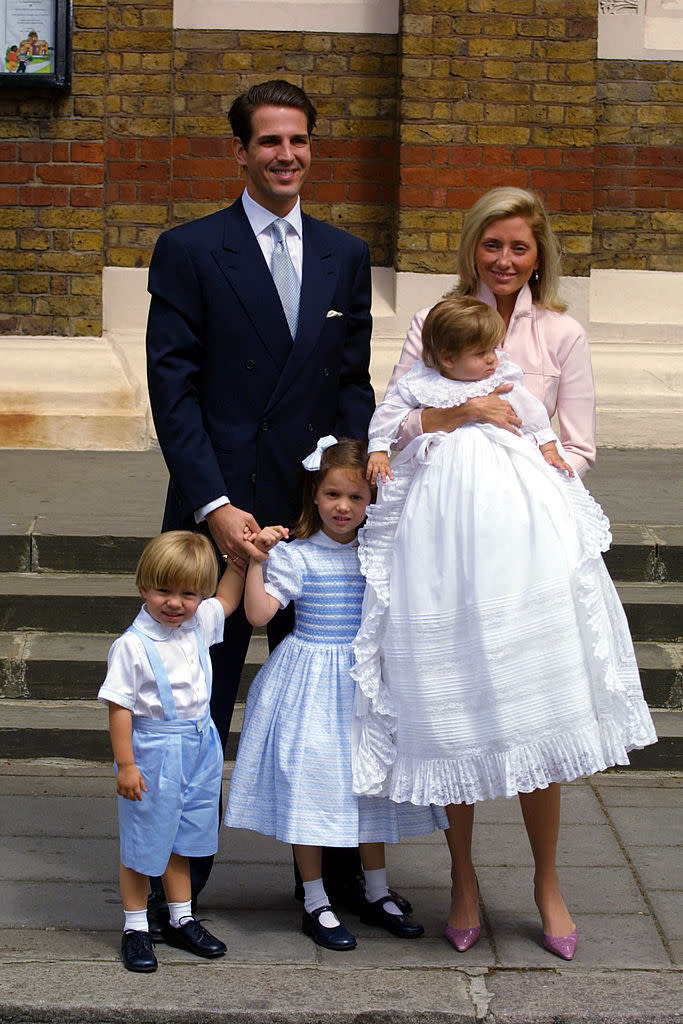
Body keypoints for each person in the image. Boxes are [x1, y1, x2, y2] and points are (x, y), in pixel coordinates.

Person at [352, 296, 656, 961]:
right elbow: (389, 423)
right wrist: (399, 441)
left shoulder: (507, 374)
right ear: (443, 356)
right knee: (450, 717)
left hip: (516, 550)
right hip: (439, 556)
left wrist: (547, 454)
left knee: (532, 711)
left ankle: (547, 883)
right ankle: (463, 879)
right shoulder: (419, 382)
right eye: (482, 352)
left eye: (494, 350)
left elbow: (540, 423)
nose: (495, 358)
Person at [145, 79, 376, 909]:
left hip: (315, 531)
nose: (287, 155)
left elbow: (351, 388)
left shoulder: (345, 254)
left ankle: (337, 879)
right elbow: (172, 392)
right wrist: (215, 507)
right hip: (218, 526)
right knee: (190, 715)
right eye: (270, 141)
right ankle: (179, 890)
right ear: (238, 151)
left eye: (299, 141)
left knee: (334, 709)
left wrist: (342, 495)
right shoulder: (190, 248)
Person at [225, 437, 445, 950]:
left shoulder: (378, 554)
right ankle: (315, 897)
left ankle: (376, 890)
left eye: (355, 498)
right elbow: (258, 615)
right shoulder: (298, 556)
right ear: (315, 496)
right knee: (313, 783)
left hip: (365, 684)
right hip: (310, 684)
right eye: (332, 495)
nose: (343, 507)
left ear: (371, 502)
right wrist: (257, 560)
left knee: (369, 783)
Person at [98, 528, 284, 972]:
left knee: (184, 837)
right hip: (155, 750)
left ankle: (182, 918)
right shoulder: (132, 646)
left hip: (200, 745)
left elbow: (227, 601)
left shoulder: (197, 623)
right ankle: (136, 926)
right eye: (164, 590)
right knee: (145, 841)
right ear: (144, 586)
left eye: (188, 593)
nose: (175, 603)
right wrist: (126, 764)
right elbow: (120, 709)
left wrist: (241, 561)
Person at [374, 186, 596, 479]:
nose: (504, 261)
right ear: (472, 250)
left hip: (531, 498)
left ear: (538, 257)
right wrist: (467, 410)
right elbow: (396, 429)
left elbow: (579, 449)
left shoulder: (566, 334)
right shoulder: (431, 322)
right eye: (491, 245)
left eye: (519, 248)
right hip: (440, 491)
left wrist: (533, 493)